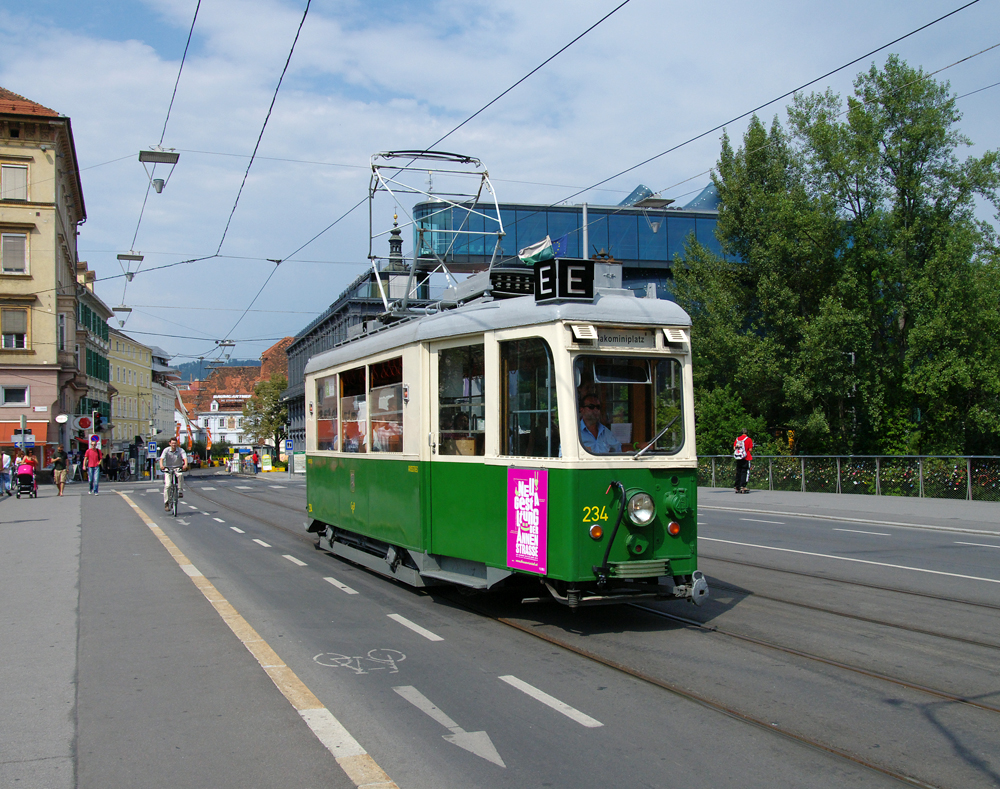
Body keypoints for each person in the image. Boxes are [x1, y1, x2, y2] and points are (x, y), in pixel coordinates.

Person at [159, 437, 189, 511]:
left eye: (175, 443)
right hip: (168, 468)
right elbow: (161, 459)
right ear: (170, 444)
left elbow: (185, 458)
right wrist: (161, 466)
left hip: (178, 468)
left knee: (180, 475)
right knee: (168, 485)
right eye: (172, 443)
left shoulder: (181, 450)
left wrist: (185, 465)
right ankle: (166, 503)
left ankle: (180, 490)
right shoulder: (166, 450)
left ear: (177, 444)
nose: (174, 445)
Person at [733, 428, 753, 494]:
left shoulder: (737, 439)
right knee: (745, 472)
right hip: (746, 457)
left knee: (738, 471)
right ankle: (743, 486)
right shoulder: (748, 439)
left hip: (739, 457)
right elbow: (750, 449)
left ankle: (737, 486)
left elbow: (734, 447)